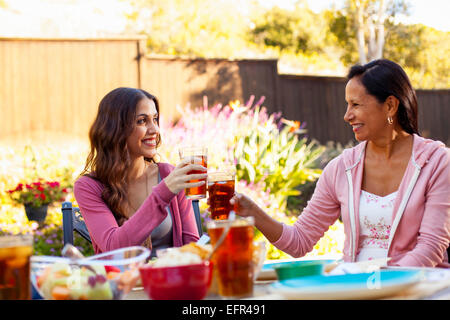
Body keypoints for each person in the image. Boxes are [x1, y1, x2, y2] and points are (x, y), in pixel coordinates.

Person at [231, 59, 450, 267]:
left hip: (417, 286)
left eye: (356, 104)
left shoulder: (437, 163)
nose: (347, 116)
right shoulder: (341, 169)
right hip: (357, 286)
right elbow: (299, 241)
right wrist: (252, 212)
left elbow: (430, 248)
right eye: (347, 105)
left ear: (390, 105)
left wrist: (382, 283)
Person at [73, 87, 206, 256]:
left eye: (155, 119)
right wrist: (163, 193)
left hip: (172, 279)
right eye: (142, 121)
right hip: (122, 282)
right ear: (115, 129)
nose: (155, 130)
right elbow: (113, 247)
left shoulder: (168, 175)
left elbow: (192, 249)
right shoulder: (89, 187)